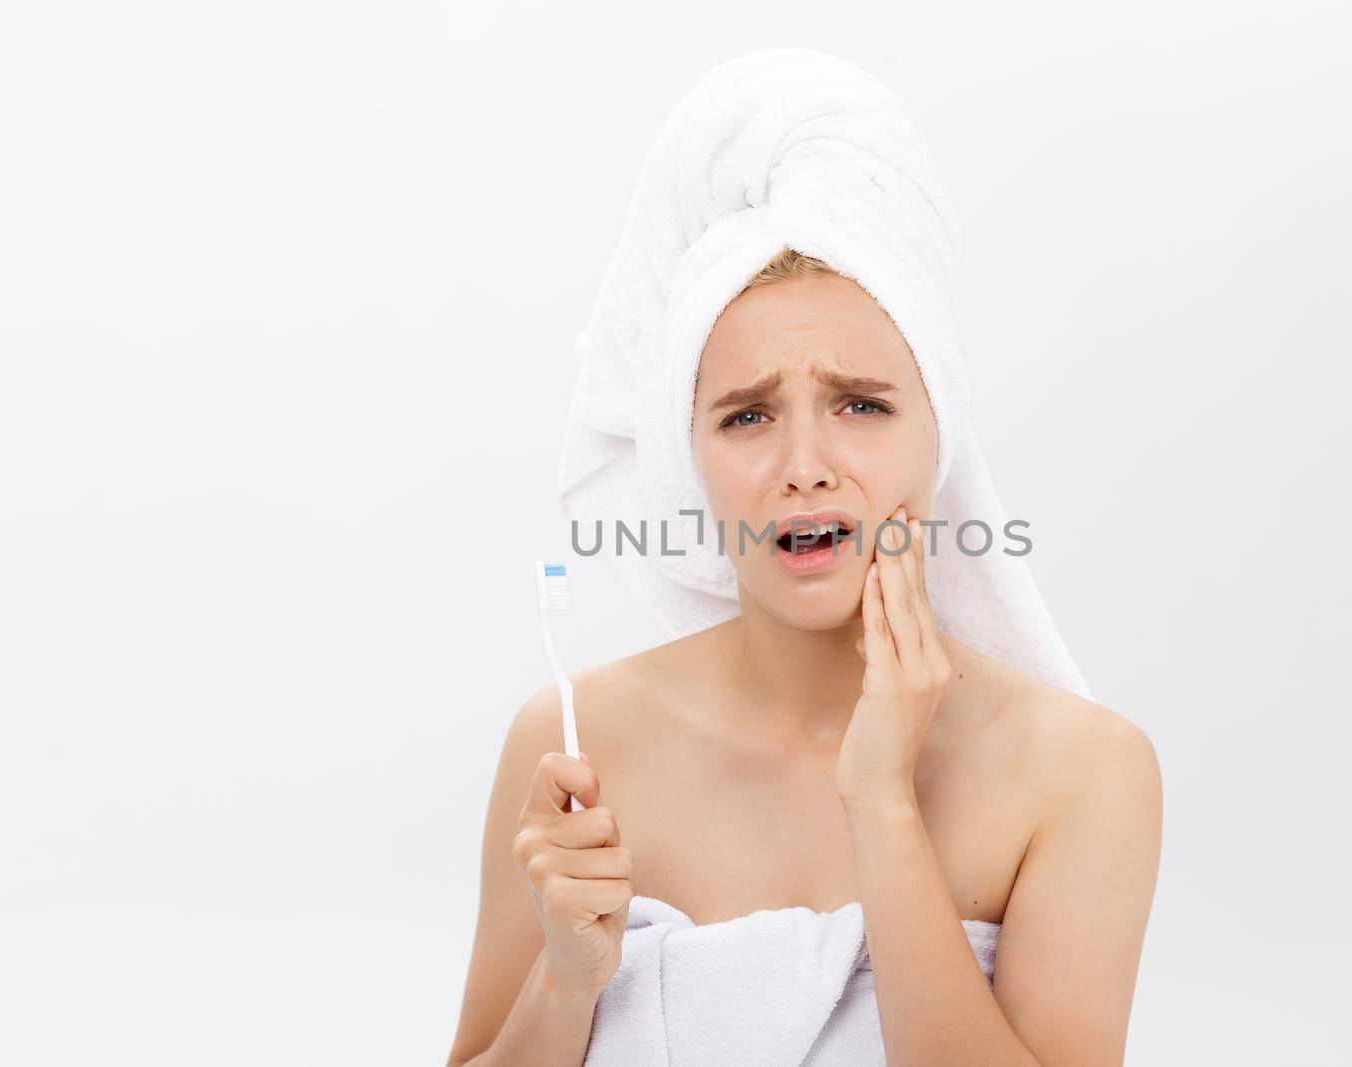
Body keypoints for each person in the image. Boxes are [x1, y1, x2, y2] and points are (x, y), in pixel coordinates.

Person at [444, 248, 1163, 1066]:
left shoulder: (1085, 772)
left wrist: (884, 804)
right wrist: (564, 982)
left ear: (941, 437)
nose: (804, 469)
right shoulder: (573, 746)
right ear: (690, 464)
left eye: (860, 404)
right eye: (747, 415)